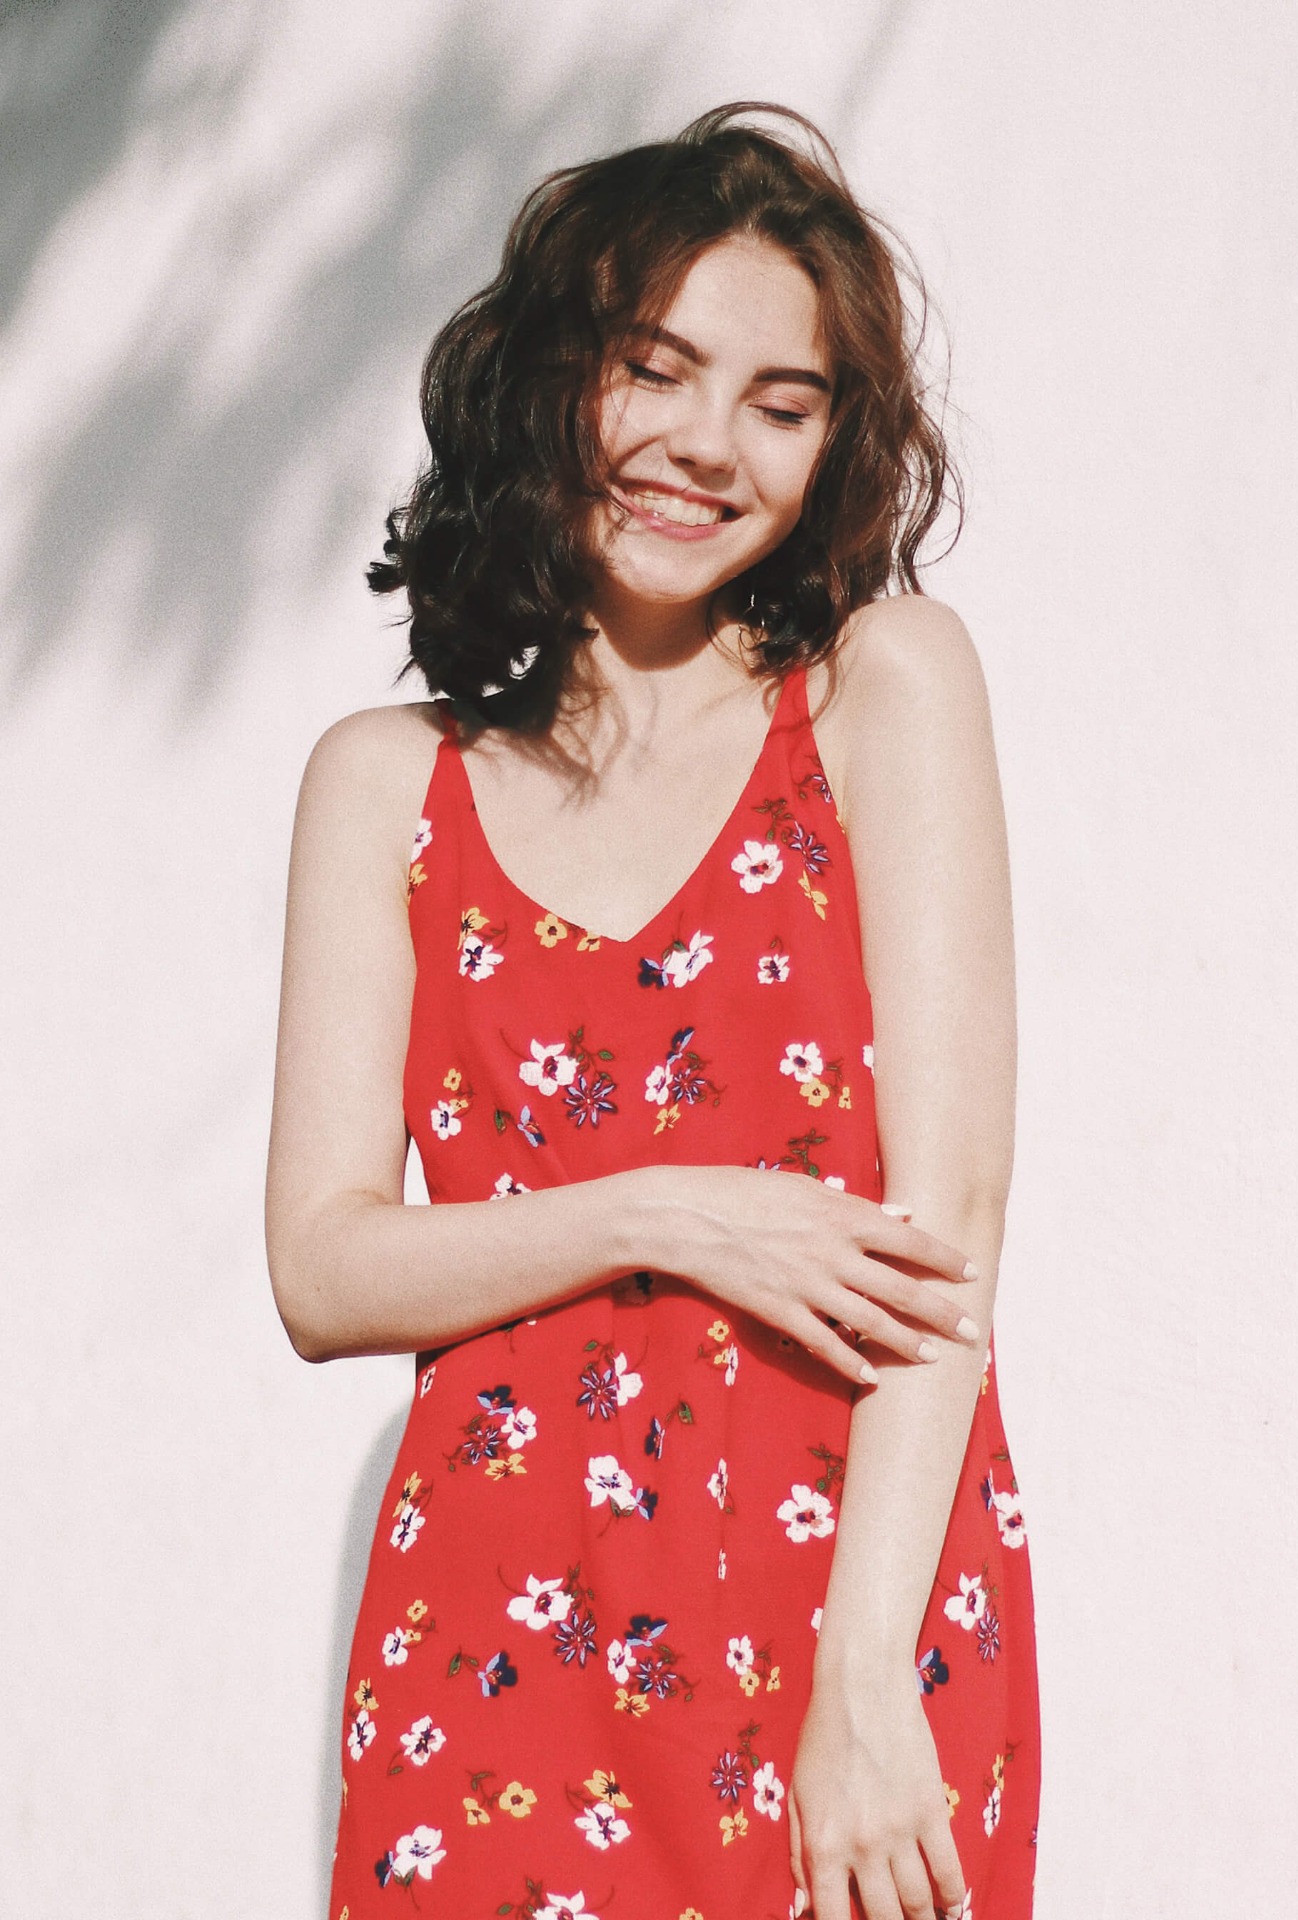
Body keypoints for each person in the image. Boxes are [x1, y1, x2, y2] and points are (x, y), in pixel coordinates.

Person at [266, 102, 1039, 1920]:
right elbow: (322, 1269)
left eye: (782, 402)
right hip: (496, 1629)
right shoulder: (387, 783)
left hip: (847, 1603)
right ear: (551, 380)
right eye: (656, 368)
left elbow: (949, 1223)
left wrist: (866, 1684)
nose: (708, 445)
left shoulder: (879, 685)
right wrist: (666, 1212)